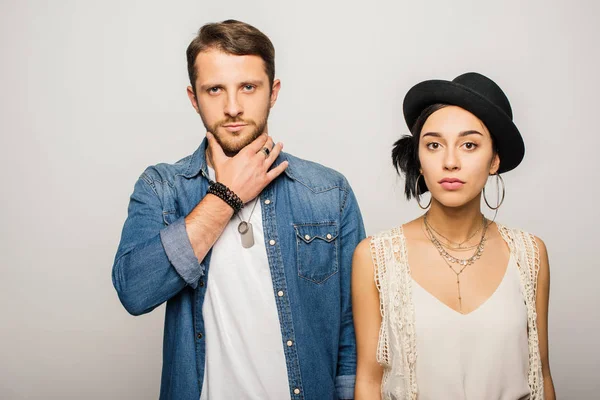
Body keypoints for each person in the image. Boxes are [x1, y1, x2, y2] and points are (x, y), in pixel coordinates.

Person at [112, 19, 364, 400]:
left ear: (273, 92)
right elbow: (134, 290)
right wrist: (226, 195)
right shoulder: (162, 187)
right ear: (194, 98)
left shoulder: (328, 192)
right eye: (215, 90)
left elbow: (352, 336)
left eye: (248, 87)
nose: (232, 107)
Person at [352, 72, 555, 399]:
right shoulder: (375, 257)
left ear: (495, 160)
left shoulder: (530, 254)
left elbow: (540, 375)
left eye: (469, 145)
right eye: (434, 145)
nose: (450, 162)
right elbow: (369, 382)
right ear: (419, 159)